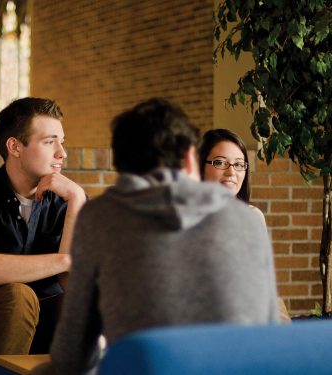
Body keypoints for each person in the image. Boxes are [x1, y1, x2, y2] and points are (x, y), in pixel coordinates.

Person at [43, 98, 279, 374]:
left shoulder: (100, 216)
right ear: (191, 158)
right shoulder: (246, 217)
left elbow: (74, 350)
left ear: (120, 166)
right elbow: (268, 330)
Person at [0, 97, 86, 375]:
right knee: (19, 297)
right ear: (15, 147)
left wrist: (77, 201)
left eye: (62, 141)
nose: (62, 153)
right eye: (49, 142)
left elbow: (73, 284)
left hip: (45, 315)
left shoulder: (63, 200)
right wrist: (65, 260)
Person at [200, 128, 292, 322]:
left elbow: (262, 284)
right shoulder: (185, 217)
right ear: (200, 166)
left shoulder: (253, 217)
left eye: (239, 164)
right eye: (220, 163)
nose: (231, 172)